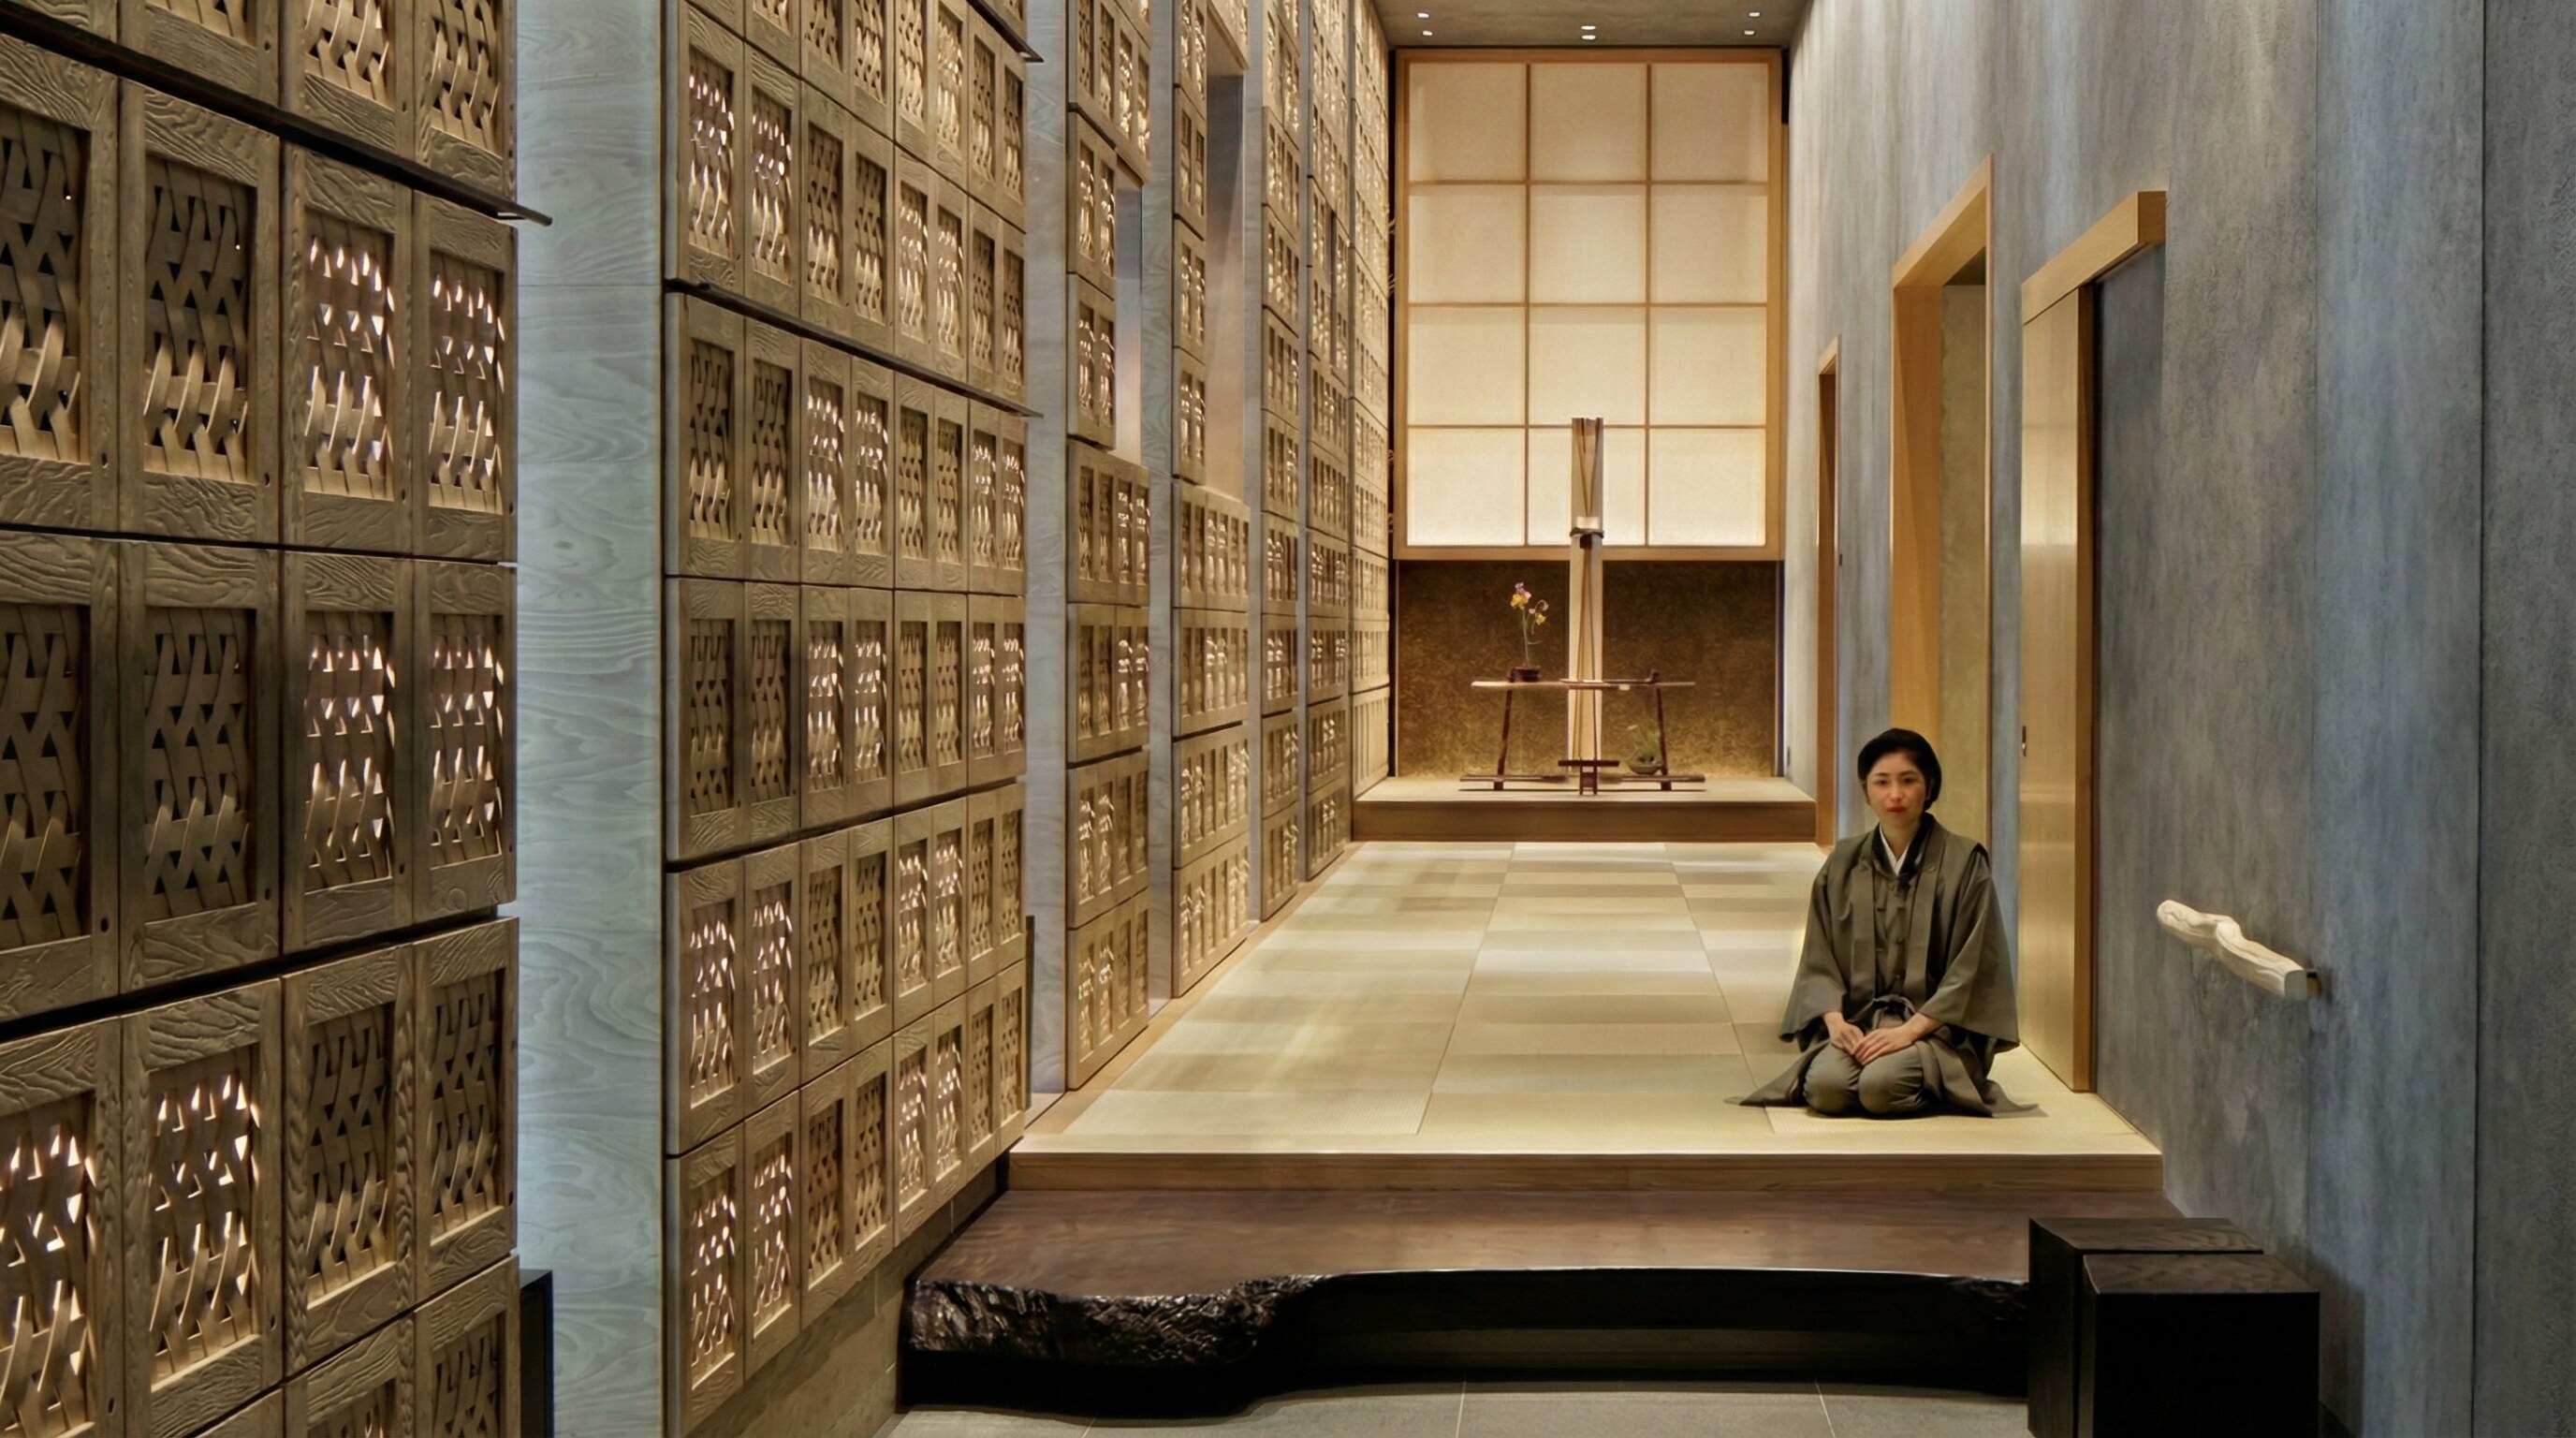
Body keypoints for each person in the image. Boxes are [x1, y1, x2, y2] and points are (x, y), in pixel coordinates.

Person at [1739, 728, 2022, 1117]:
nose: (1895, 795)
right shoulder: (1843, 862)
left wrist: (1909, 1032)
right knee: (1826, 1089)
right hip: (1860, 1019)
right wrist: (1835, 1022)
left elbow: (1973, 966)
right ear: (1865, 790)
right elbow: (1819, 957)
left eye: (1908, 781)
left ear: (1930, 786)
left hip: (1938, 1028)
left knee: (1881, 1089)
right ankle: (1890, 1067)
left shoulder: (1964, 863)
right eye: (1882, 782)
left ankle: (1937, 1074)